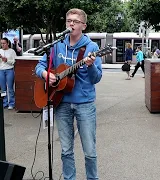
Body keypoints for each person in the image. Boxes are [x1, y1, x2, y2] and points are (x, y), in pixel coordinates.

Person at [35, 8, 102, 180]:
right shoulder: (57, 44)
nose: (71, 23)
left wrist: (90, 65)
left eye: (75, 21)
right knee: (66, 149)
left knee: (89, 151)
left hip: (85, 103)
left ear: (84, 26)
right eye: (69, 21)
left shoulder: (91, 47)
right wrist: (46, 75)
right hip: (61, 102)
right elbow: (39, 67)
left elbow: (96, 78)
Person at [0, 37, 16, 110]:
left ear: (7, 43)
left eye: (4, 43)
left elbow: (14, 62)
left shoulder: (12, 51)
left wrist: (6, 60)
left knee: (10, 88)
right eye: (1, 43)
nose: (2, 45)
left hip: (9, 70)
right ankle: (4, 103)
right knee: (3, 88)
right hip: (1, 70)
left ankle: (11, 103)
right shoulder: (0, 51)